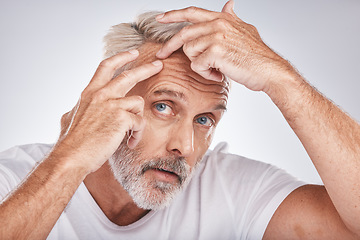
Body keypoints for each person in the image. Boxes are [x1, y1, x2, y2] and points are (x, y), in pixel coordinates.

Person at [1, 1, 360, 239]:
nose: (185, 147)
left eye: (204, 119)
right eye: (163, 106)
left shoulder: (230, 189)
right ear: (108, 101)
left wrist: (283, 80)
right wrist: (69, 160)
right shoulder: (14, 180)